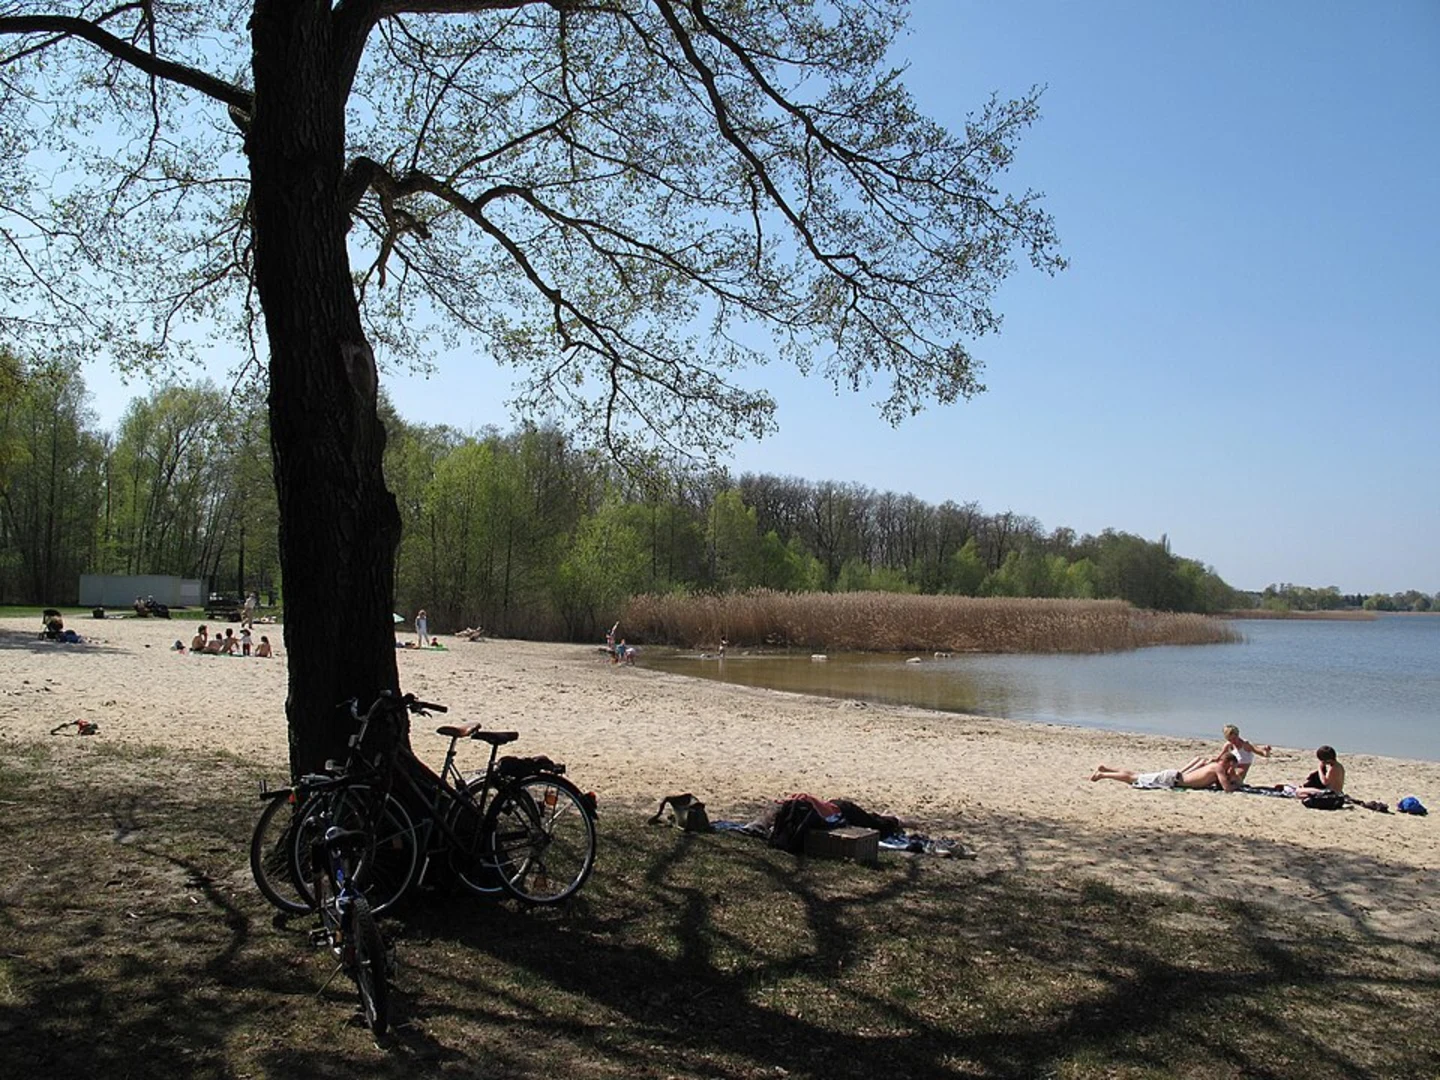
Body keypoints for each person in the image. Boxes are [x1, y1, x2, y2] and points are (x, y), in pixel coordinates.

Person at [1090, 757, 1235, 791]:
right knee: (1133, 778)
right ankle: (1102, 775)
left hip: (1173, 777)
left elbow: (1219, 785)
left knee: (1137, 775)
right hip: (1172, 779)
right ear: (1227, 763)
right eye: (1231, 766)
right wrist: (1233, 776)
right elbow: (1227, 788)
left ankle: (1107, 769)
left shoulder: (1215, 768)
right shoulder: (1217, 768)